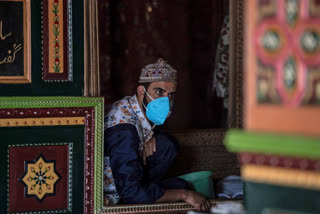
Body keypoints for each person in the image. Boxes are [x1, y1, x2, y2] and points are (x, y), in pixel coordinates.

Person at [104, 58, 210, 211]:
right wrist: (185, 195)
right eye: (159, 92)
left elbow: (149, 129)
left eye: (171, 95)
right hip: (119, 196)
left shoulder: (132, 105)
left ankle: (152, 192)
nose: (165, 100)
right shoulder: (124, 131)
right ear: (141, 91)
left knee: (167, 146)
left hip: (130, 178)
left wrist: (150, 135)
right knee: (183, 188)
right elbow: (130, 193)